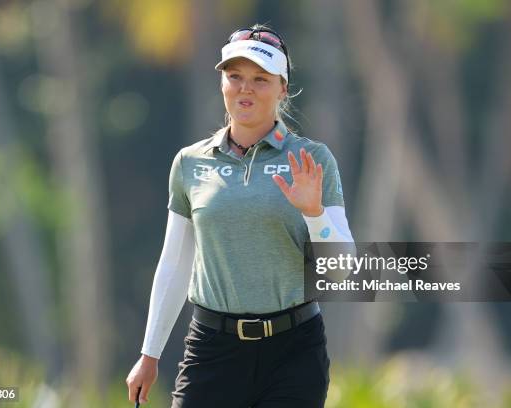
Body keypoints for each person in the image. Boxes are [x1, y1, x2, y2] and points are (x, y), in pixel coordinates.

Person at [126, 24, 354, 408]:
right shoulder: (190, 163)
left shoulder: (312, 160)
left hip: (293, 350)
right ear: (222, 84)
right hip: (213, 348)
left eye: (260, 79)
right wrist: (150, 355)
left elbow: (341, 271)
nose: (245, 88)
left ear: (282, 88)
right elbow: (175, 263)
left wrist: (314, 213)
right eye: (235, 77)